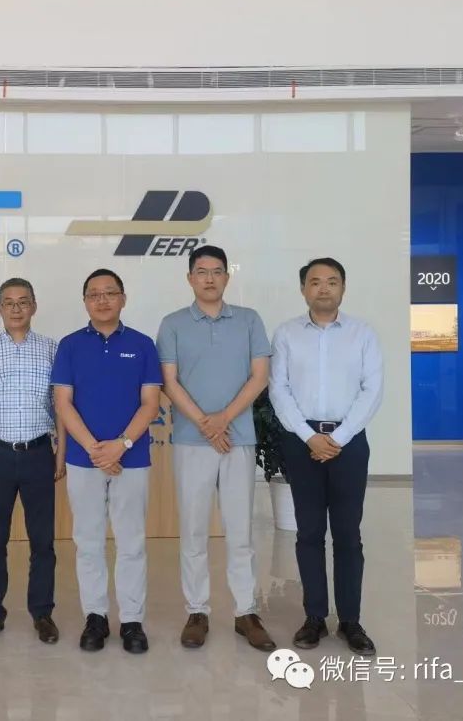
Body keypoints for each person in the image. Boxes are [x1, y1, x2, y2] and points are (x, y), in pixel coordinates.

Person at [157, 245, 277, 652]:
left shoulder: (249, 320)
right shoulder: (173, 324)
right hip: (192, 441)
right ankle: (197, 611)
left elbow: (260, 376)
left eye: (217, 271)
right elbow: (169, 382)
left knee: (240, 530)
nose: (209, 278)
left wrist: (223, 418)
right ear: (190, 278)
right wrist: (206, 424)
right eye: (202, 271)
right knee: (193, 530)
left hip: (237, 439)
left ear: (227, 276)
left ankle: (246, 612)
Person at [269, 257, 384, 656]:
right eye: (315, 281)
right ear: (303, 289)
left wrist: (337, 438)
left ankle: (350, 620)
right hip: (302, 442)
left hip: (348, 442)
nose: (323, 288)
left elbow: (372, 390)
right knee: (309, 532)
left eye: (332, 281)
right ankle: (314, 616)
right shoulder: (286, 334)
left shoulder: (362, 334)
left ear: (343, 288)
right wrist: (309, 437)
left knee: (349, 534)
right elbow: (279, 389)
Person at [52, 269, 162, 655]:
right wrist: (97, 450)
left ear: (123, 298)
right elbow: (63, 403)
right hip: (84, 460)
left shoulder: (143, 345)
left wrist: (121, 445)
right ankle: (95, 617)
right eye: (94, 294)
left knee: (131, 541)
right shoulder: (69, 346)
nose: (102, 300)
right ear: (85, 301)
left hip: (132, 459)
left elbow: (150, 403)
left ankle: (131, 620)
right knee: (88, 541)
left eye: (110, 293)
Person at [0, 277, 64, 646]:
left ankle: (42, 613)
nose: (16, 308)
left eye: (23, 301)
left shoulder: (51, 349)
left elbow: (60, 406)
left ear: (34, 306)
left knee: (43, 541)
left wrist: (60, 453)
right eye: (9, 302)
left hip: (39, 453)